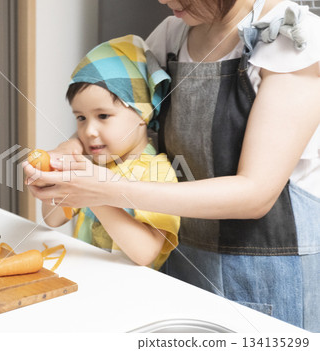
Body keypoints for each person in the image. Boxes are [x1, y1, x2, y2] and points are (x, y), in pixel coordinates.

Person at [24, 0, 320, 331]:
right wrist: (70, 150)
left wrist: (101, 190)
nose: (163, 1)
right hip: (183, 258)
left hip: (265, 269)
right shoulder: (175, 33)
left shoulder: (293, 39)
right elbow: (122, 103)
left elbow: (255, 194)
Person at [38, 35, 180, 270]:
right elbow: (53, 219)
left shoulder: (158, 173)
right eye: (81, 118)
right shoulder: (93, 165)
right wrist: (52, 174)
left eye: (103, 116)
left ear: (142, 113)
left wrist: (94, 193)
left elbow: (145, 253)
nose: (89, 131)